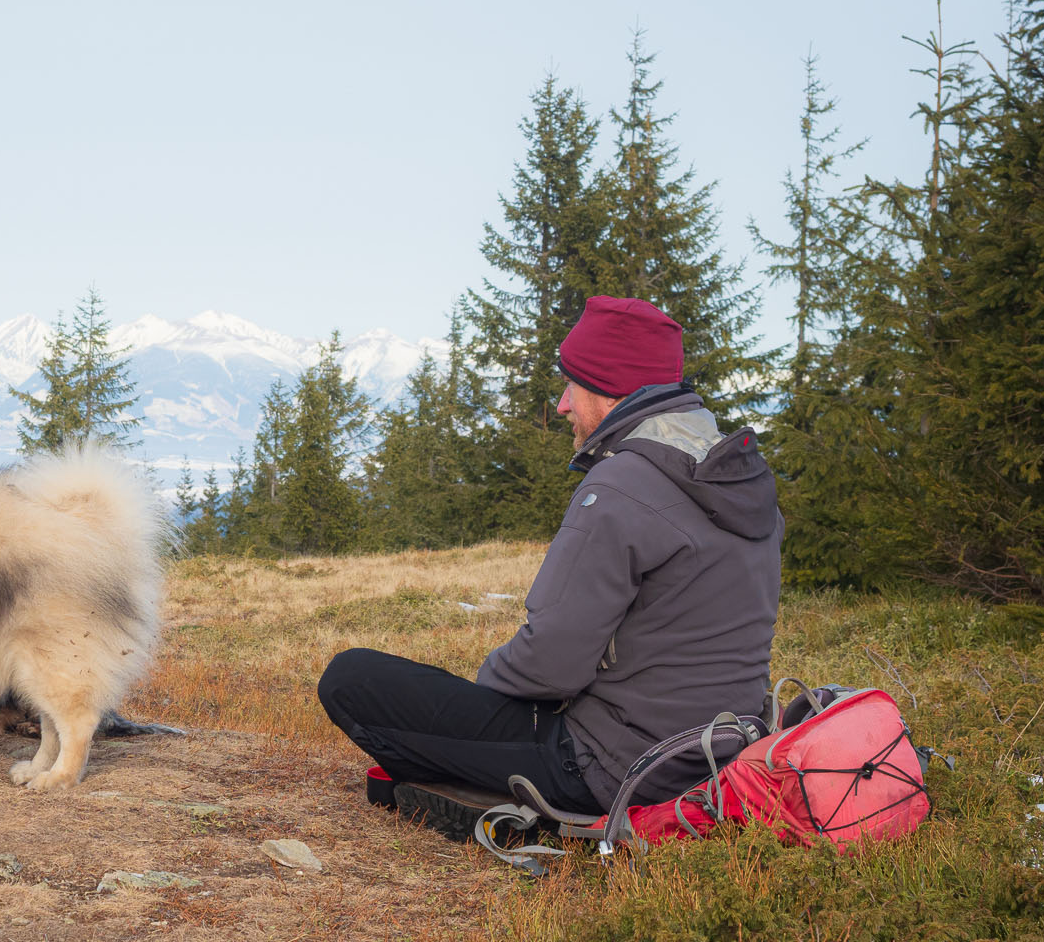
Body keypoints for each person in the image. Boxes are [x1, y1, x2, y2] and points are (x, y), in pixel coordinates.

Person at [317, 296, 782, 825]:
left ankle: (481, 786)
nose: (562, 405)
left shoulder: (622, 485)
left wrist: (480, 703)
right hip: (716, 753)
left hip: (612, 768)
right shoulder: (740, 480)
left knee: (351, 677)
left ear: (610, 390)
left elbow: (548, 665)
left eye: (572, 386)